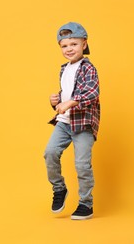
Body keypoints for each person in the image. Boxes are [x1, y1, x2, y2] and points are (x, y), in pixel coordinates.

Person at [44, 22, 100, 220]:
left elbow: (91, 94)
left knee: (82, 165)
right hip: (64, 122)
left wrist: (69, 103)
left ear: (84, 44)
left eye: (74, 44)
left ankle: (86, 204)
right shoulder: (64, 69)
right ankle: (59, 189)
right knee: (50, 153)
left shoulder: (88, 68)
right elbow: (68, 93)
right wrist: (57, 100)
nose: (69, 49)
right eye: (64, 46)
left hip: (82, 124)